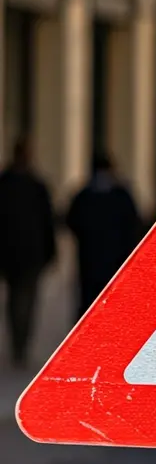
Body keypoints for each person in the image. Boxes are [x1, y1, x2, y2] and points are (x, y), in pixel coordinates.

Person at [0, 139, 57, 369]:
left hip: (25, 253)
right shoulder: (33, 185)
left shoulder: (24, 185)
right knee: (21, 299)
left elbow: (47, 221)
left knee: (20, 300)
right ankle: (19, 343)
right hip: (22, 253)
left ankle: (20, 343)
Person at [66, 153, 143, 320]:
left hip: (90, 260)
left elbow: (72, 222)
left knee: (89, 303)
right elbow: (133, 225)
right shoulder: (121, 196)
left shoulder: (84, 196)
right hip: (114, 260)